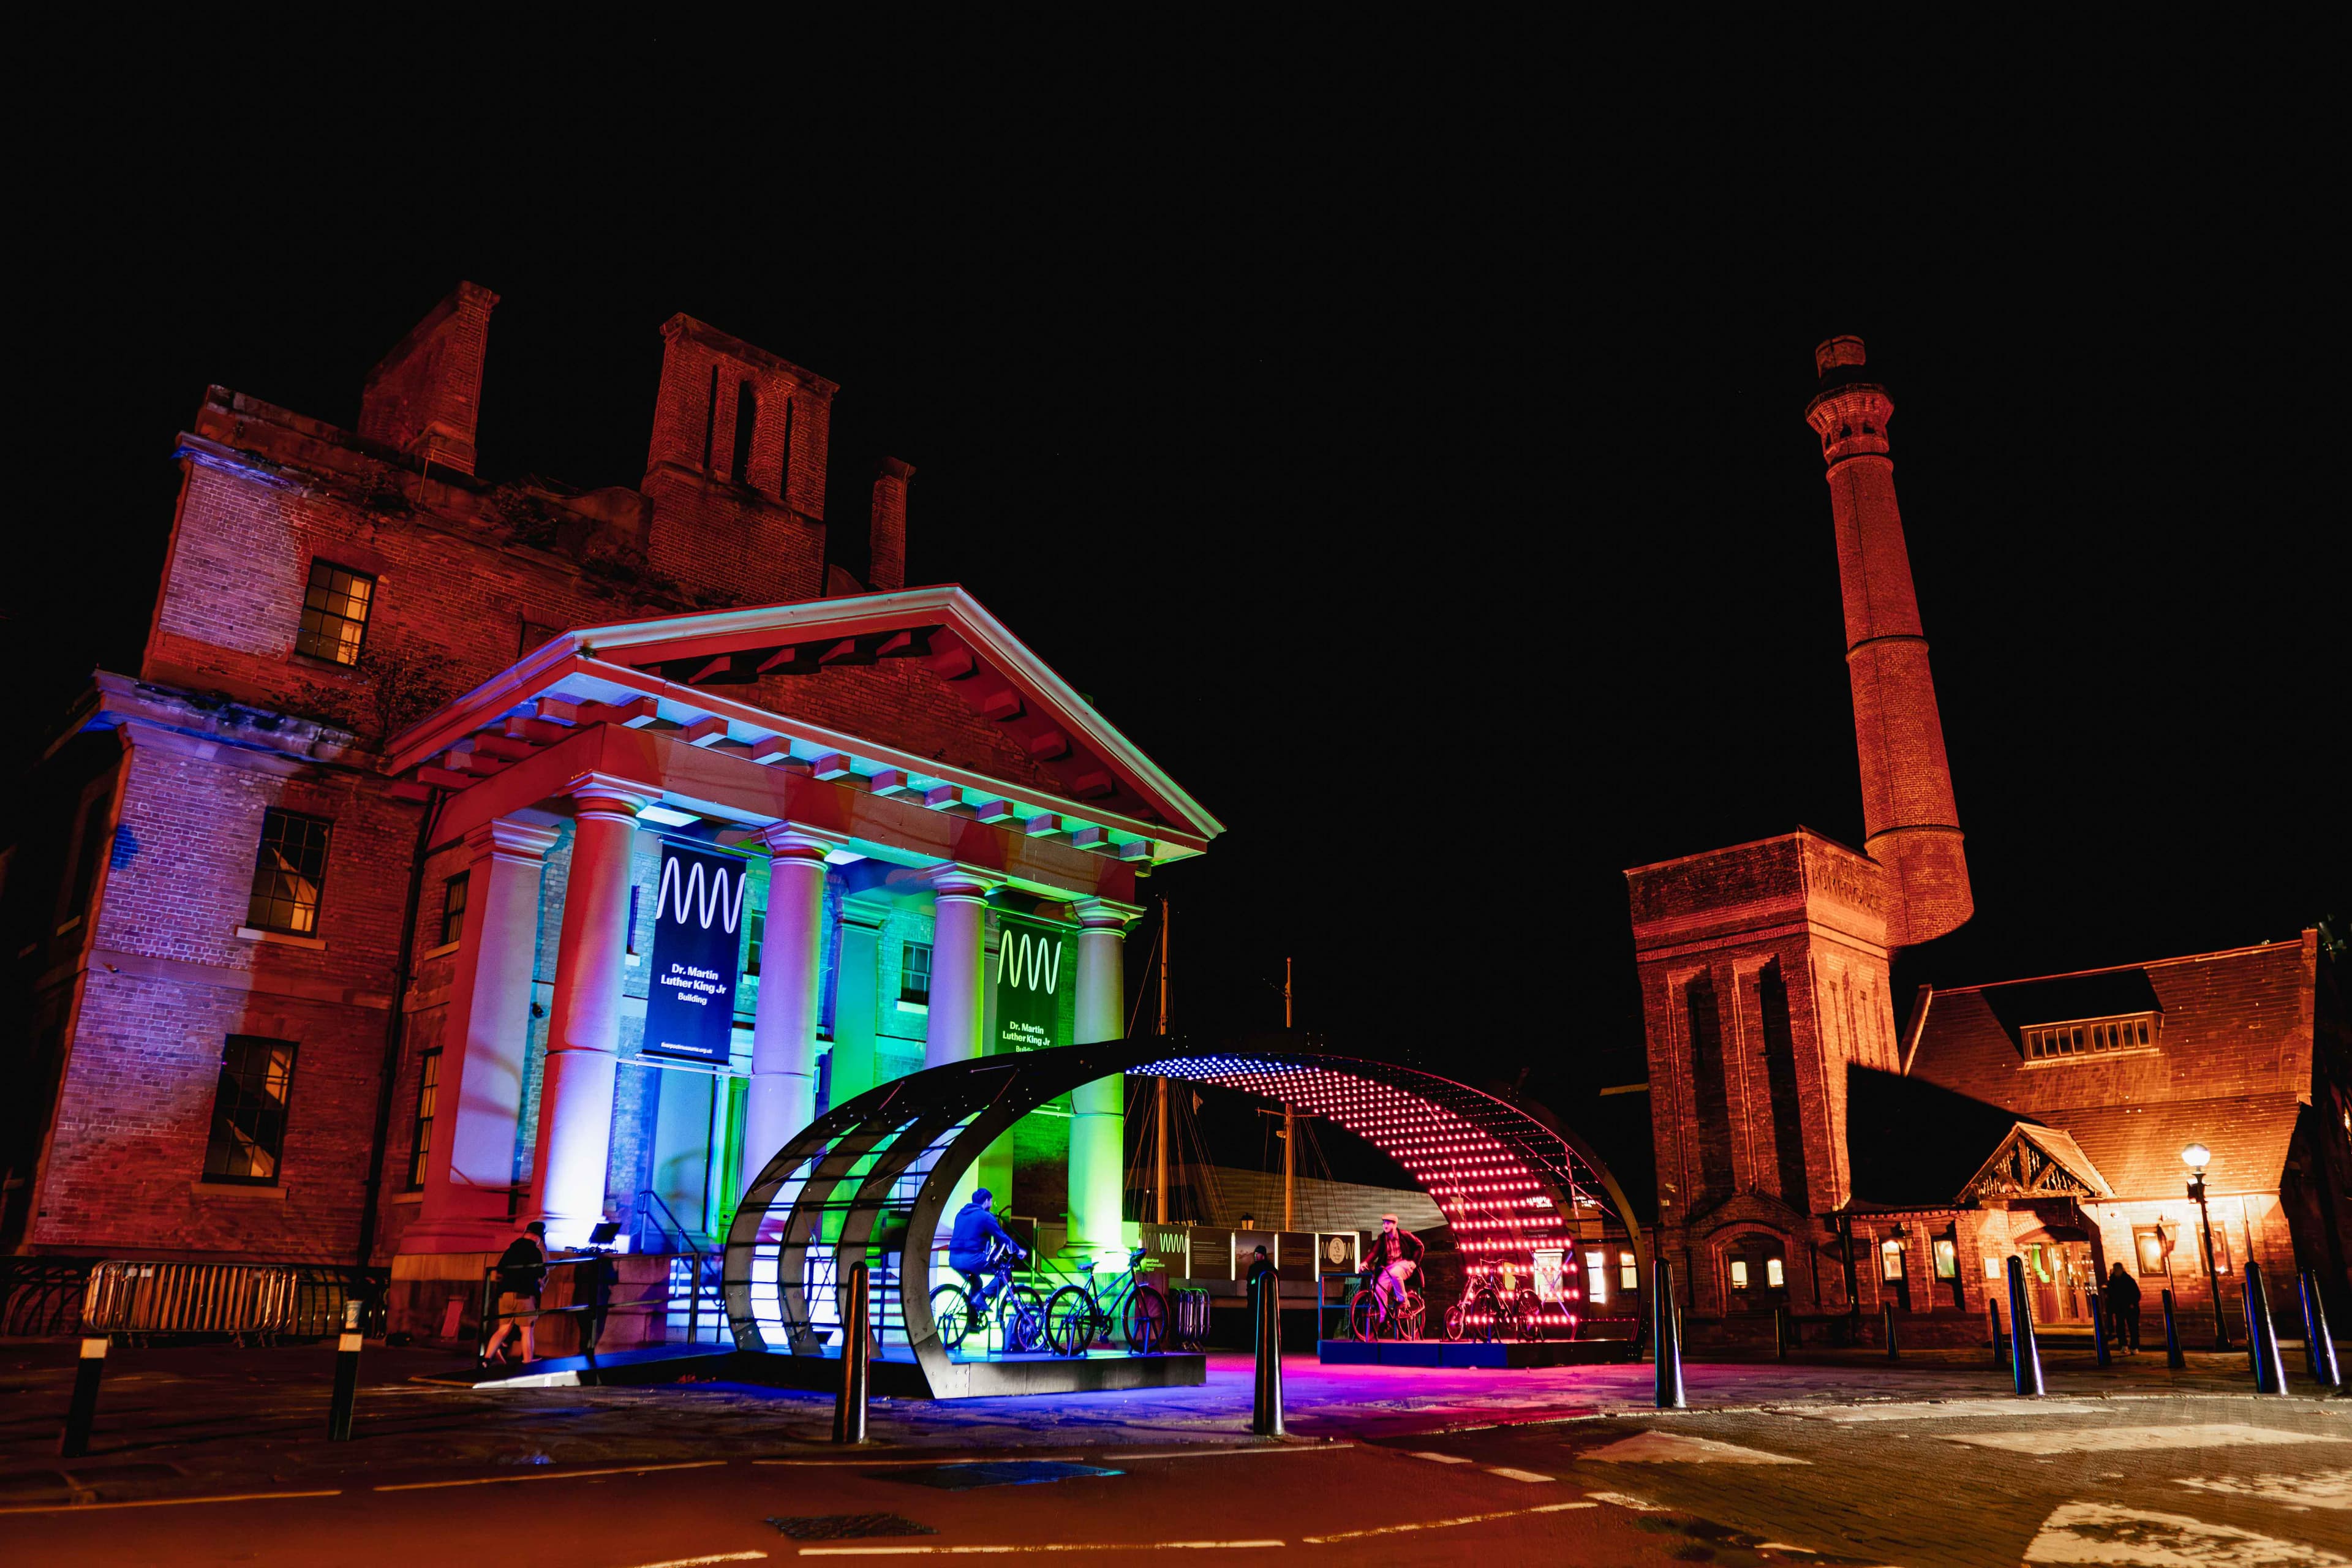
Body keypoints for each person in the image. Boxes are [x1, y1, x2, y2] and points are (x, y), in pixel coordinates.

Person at [946, 1188, 1027, 1323]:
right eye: (991, 1201)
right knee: (1005, 1272)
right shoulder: (985, 1217)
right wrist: (1018, 1250)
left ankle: (972, 1321)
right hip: (972, 1258)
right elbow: (1001, 1237)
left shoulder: (961, 1214)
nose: (991, 1204)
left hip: (953, 1258)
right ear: (986, 1201)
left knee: (976, 1282)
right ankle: (982, 1297)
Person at [483, 1221, 547, 1366]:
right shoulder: (534, 1252)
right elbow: (541, 1272)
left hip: (505, 1295)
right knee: (527, 1330)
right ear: (537, 1237)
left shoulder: (511, 1250)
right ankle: (527, 1362)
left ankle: (486, 1359)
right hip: (524, 1295)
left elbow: (499, 1271)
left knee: (503, 1329)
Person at [1365, 1213, 1423, 1326]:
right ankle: (1384, 1317)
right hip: (1389, 1268)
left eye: (1388, 1223)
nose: (1385, 1225)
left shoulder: (1405, 1235)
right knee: (1379, 1288)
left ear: (1395, 1224)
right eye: (1384, 1223)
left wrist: (1414, 1262)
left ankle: (1404, 1301)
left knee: (1395, 1273)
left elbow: (1420, 1246)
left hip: (1404, 1264)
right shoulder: (1382, 1238)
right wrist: (1365, 1262)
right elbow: (1374, 1252)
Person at [2105, 1261, 2143, 1352]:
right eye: (2115, 1270)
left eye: (2117, 1269)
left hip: (2129, 1307)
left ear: (2121, 1270)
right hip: (2119, 1308)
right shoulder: (2112, 1281)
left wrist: (2133, 1303)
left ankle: (2134, 1347)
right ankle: (2123, 1345)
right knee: (2120, 1328)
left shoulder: (2128, 1280)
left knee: (2133, 1327)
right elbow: (2110, 1295)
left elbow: (2136, 1293)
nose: (2116, 1271)